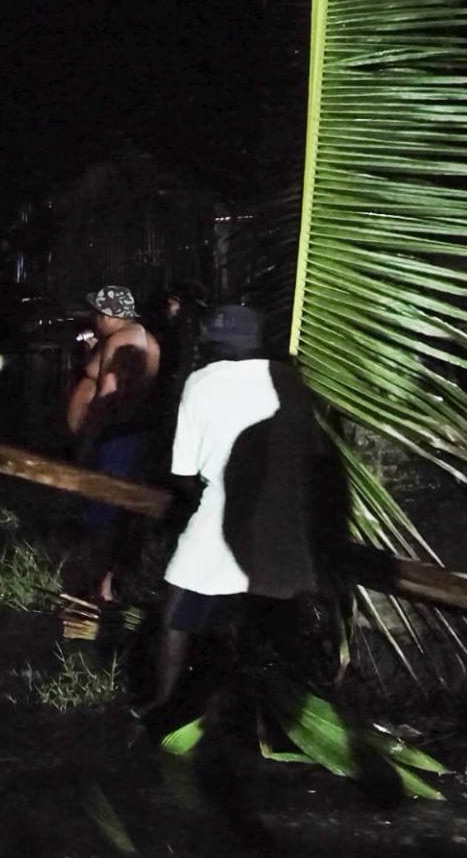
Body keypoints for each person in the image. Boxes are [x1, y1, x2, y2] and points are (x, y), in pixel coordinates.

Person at [140, 305, 325, 715]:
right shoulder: (291, 381)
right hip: (285, 524)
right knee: (281, 621)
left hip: (221, 518)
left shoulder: (202, 382)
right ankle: (293, 708)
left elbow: (184, 474)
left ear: (215, 345)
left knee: (178, 615)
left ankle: (166, 703)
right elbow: (313, 457)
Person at [66, 284, 162, 600]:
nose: (94, 319)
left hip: (115, 438)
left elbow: (108, 396)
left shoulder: (120, 341)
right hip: (132, 436)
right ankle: (112, 582)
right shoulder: (144, 337)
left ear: (109, 315)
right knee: (122, 511)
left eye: (97, 313)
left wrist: (89, 439)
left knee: (104, 514)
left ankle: (101, 589)